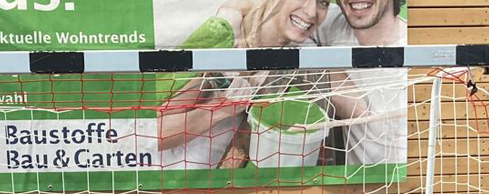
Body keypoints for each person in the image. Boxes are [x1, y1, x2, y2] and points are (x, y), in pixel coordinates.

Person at [156, 0, 332, 169]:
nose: (312, 12)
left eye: (323, 2)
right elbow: (155, 132)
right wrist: (220, 108)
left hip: (211, 181)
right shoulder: (225, 29)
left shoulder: (295, 58)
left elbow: (242, 146)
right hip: (160, 173)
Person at [312, 0, 408, 165]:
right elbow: (282, 22)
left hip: (404, 177)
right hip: (353, 179)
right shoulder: (330, 23)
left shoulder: (415, 53)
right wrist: (336, 81)